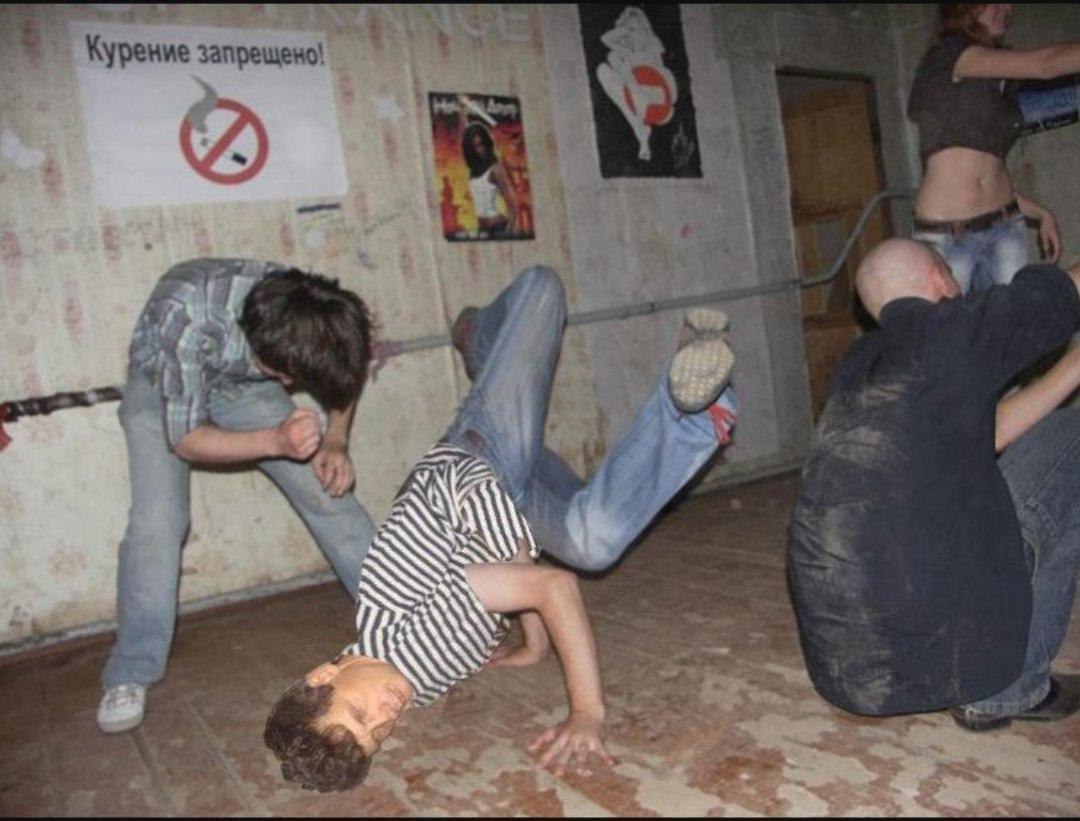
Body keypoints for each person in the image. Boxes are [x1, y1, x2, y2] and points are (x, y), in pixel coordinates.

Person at [263, 265, 738, 791]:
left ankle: (478, 334)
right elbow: (507, 576)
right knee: (595, 541)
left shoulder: (397, 617)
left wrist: (586, 712)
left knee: (544, 290)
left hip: (482, 455)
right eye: (376, 734)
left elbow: (548, 584)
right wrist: (533, 644)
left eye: (358, 712)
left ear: (325, 675)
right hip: (510, 507)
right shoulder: (410, 678)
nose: (384, 715)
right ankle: (696, 407)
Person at [787, 238, 1080, 730]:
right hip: (938, 660)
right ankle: (1011, 689)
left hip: (847, 671)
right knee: (1072, 438)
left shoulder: (860, 364)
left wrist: (1074, 367)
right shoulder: (951, 328)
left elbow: (990, 432)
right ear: (940, 279)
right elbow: (1066, 287)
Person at [97, 259, 377, 735]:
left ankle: (405, 621)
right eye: (283, 374)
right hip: (161, 379)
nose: (289, 387)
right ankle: (130, 672)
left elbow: (346, 368)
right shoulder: (186, 312)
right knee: (159, 521)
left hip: (242, 385)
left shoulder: (317, 311)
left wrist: (335, 441)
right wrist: (275, 440)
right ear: (258, 342)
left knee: (326, 488)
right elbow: (187, 440)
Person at [907, 3, 1080, 293]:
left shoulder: (995, 85)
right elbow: (1045, 64)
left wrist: (1040, 212)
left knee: (1015, 320)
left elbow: (987, 170)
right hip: (948, 234)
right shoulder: (951, 53)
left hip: (1004, 225)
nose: (1006, 7)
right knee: (953, 322)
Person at [457, 95, 521, 238]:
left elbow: (513, 206)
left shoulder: (495, 169)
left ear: (486, 144)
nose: (479, 150)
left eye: (481, 145)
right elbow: (464, 138)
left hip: (498, 227)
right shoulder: (474, 169)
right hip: (483, 229)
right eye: (474, 147)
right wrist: (462, 110)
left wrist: (508, 234)